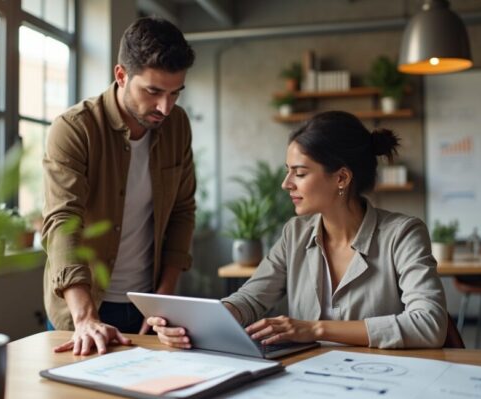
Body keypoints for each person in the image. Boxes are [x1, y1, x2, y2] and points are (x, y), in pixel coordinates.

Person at [148, 111, 447, 349]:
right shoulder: (295, 233)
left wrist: (314, 329)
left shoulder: (403, 234)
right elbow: (251, 299)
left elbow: (429, 324)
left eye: (300, 173)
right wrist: (195, 323)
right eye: (288, 171)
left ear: (341, 177)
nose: (286, 183)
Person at [41, 17, 196, 355]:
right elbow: (62, 221)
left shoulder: (177, 125)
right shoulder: (74, 129)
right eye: (153, 91)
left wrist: (165, 297)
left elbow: (183, 211)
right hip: (84, 306)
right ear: (121, 75)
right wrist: (85, 317)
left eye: (175, 93)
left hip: (148, 306)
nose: (165, 108)